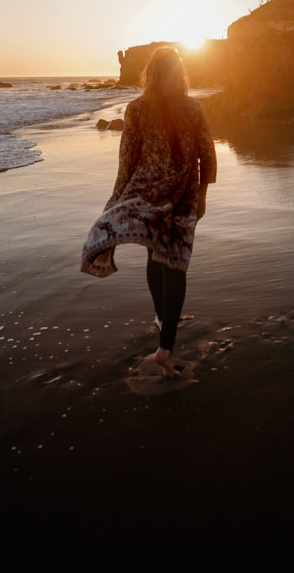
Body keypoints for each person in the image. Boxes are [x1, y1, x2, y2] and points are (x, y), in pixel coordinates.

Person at [81, 47, 216, 376]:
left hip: (146, 196)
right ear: (179, 73)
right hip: (183, 196)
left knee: (156, 254)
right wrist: (202, 195)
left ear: (150, 74)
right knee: (175, 263)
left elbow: (127, 160)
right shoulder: (193, 107)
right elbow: (207, 155)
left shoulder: (137, 109)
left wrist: (117, 201)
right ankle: (165, 346)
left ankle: (160, 317)